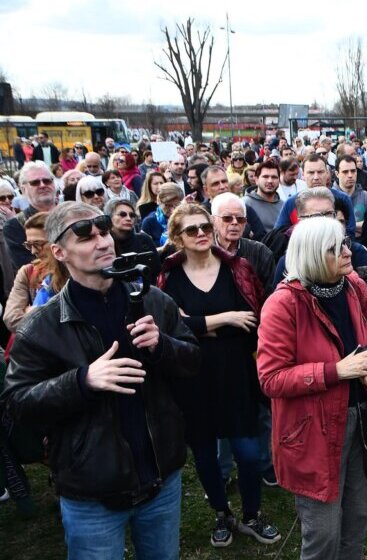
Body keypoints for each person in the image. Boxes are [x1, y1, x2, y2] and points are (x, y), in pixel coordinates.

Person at [1, 201, 199, 559]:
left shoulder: (153, 301)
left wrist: (163, 347)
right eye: (86, 236)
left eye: (104, 231)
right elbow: (18, 402)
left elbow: (192, 360)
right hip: (91, 491)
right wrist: (81, 381)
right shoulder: (41, 327)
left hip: (161, 477)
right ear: (59, 251)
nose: (102, 241)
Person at [257, 217, 367, 559]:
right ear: (314, 255)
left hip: (360, 419)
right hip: (313, 432)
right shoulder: (283, 303)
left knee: (357, 519)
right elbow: (271, 378)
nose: (348, 252)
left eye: (345, 243)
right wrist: (337, 371)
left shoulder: (353, 285)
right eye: (337, 248)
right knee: (323, 533)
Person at [157, 203, 280, 547]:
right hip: (192, 377)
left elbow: (252, 318)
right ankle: (222, 512)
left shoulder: (237, 268)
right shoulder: (169, 275)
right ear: (177, 237)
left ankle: (253, 513)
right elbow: (170, 326)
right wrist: (224, 319)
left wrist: (199, 326)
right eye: (191, 230)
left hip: (236, 372)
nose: (201, 235)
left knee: (248, 452)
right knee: (205, 455)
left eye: (204, 228)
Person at [3, 212, 67, 331]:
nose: (33, 251)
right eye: (29, 245)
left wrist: (32, 312)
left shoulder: (77, 272)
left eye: (38, 244)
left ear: (57, 241)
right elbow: (12, 319)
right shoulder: (28, 272)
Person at [211, 193, 276, 288]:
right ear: (213, 221)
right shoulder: (204, 253)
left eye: (240, 219)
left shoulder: (261, 253)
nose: (234, 222)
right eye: (227, 218)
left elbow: (270, 295)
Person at [5, 162, 58, 269]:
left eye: (47, 181)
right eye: (35, 182)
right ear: (23, 189)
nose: (43, 185)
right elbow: (29, 267)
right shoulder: (14, 226)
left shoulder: (71, 214)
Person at [105, 199, 160, 278]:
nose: (128, 218)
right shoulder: (105, 244)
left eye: (132, 215)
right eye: (122, 214)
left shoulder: (144, 240)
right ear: (109, 218)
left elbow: (157, 272)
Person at [244, 159, 283, 232]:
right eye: (265, 177)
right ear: (256, 180)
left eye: (274, 177)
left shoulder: (283, 206)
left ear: (279, 180)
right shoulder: (244, 204)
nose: (270, 181)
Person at [141, 183, 184, 248]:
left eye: (176, 205)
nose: (172, 210)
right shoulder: (149, 222)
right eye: (167, 205)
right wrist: (163, 248)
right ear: (158, 201)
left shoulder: (184, 219)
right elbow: (145, 251)